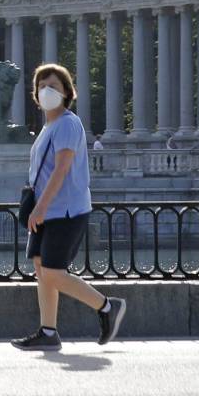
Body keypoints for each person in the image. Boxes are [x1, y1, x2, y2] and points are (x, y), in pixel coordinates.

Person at [15, 63, 126, 351]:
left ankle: (106, 306)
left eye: (53, 86)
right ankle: (48, 331)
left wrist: (40, 207)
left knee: (52, 271)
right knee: (41, 267)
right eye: (41, 86)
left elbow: (62, 168)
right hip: (49, 208)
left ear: (66, 92)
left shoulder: (67, 122)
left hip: (64, 209)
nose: (46, 91)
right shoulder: (48, 127)